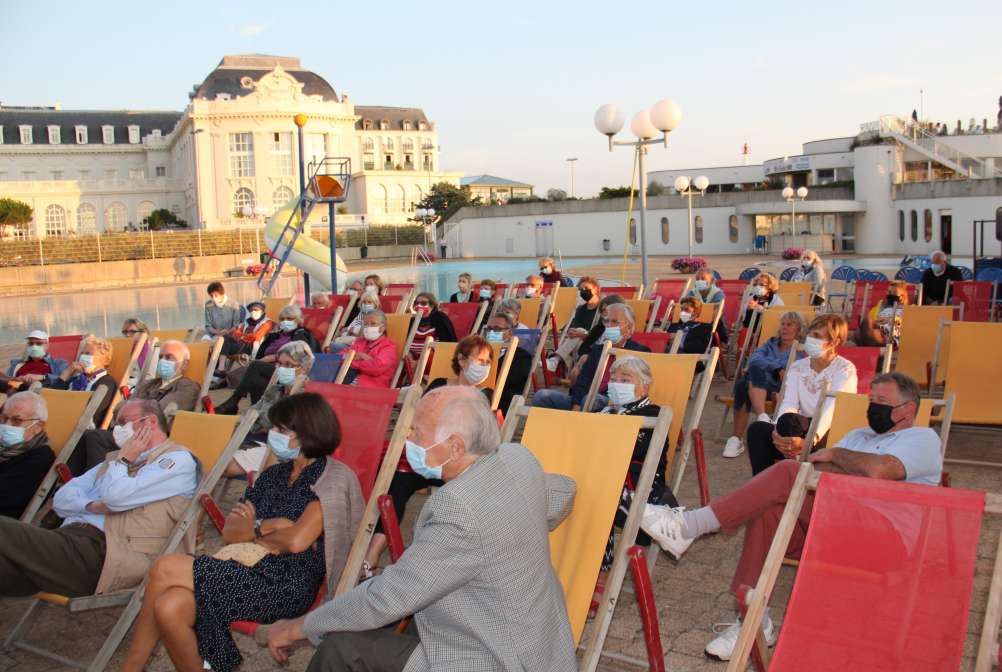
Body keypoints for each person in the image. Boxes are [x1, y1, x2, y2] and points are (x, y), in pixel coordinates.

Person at [265, 386, 578, 672]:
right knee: (362, 621)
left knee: (342, 648)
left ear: (455, 446)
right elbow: (564, 492)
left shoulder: (459, 509)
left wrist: (295, 628)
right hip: (537, 642)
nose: (408, 441)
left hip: (491, 658)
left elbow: (386, 599)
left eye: (417, 433)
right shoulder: (517, 459)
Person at [640, 372, 943, 661]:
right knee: (770, 509)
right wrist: (845, 467)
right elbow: (816, 470)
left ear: (908, 409)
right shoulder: (857, 436)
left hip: (884, 542)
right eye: (871, 399)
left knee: (787, 472)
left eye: (882, 402)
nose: (873, 406)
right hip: (834, 525)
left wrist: (837, 456)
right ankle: (754, 619)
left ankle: (689, 526)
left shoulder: (922, 438)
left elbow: (879, 470)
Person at [121, 393, 363, 672]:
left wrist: (257, 527)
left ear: (306, 433)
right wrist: (271, 526)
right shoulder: (273, 475)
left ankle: (130, 668)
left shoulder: (331, 479)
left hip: (285, 585)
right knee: (169, 606)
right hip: (244, 568)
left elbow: (297, 542)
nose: (272, 434)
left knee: (165, 567)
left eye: (281, 430)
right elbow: (231, 532)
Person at [0, 399, 198, 599]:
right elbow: (62, 498)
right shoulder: (113, 460)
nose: (117, 429)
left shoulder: (177, 461)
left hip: (107, 555)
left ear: (151, 423)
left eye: (122, 422)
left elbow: (114, 497)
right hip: (70, 541)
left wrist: (124, 460)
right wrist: (91, 505)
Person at [360, 335, 496, 577]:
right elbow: (419, 422)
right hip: (429, 460)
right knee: (398, 483)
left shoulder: (484, 396)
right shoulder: (438, 386)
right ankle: (371, 556)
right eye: (479, 360)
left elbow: (479, 441)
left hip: (458, 467)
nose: (483, 366)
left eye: (487, 362)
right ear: (462, 360)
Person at [597, 357, 682, 603]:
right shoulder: (602, 411)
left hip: (640, 493)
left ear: (644, 386)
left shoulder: (654, 416)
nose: (617, 383)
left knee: (599, 497)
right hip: (607, 483)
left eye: (626, 379)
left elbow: (634, 453)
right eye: (613, 379)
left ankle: (602, 574)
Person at [745, 314, 857, 475]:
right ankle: (763, 483)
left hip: (828, 433)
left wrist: (808, 441)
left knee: (793, 426)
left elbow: (830, 411)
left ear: (834, 342)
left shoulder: (845, 370)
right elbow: (789, 403)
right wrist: (778, 432)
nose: (810, 339)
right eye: (810, 334)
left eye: (817, 336)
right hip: (798, 428)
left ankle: (788, 476)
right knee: (758, 430)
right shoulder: (798, 367)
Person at [69, 340, 202, 475]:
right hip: (130, 432)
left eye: (169, 357)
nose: (163, 361)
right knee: (84, 436)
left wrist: (132, 409)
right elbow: (120, 408)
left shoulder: (187, 386)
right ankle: (76, 482)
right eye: (161, 357)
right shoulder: (149, 384)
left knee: (95, 437)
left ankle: (96, 481)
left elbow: (158, 412)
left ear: (184, 364)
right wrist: (134, 410)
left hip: (150, 439)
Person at [533, 303, 650, 412]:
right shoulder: (598, 350)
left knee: (593, 400)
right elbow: (583, 380)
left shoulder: (639, 352)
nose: (609, 325)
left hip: (613, 404)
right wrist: (576, 404)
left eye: (615, 322)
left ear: (629, 328)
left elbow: (638, 389)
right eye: (607, 321)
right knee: (541, 396)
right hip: (585, 400)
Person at [722, 312, 807, 459]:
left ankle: (736, 438)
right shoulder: (771, 343)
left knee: (745, 383)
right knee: (747, 380)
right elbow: (754, 358)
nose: (784, 328)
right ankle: (761, 417)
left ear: (798, 329)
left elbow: (793, 370)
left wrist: (769, 367)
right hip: (759, 386)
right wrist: (775, 368)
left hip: (780, 390)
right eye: (783, 324)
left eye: (789, 325)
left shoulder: (801, 350)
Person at [226, 342, 316, 476]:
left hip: (278, 451)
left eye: (288, 364)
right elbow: (253, 414)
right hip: (256, 440)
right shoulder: (274, 391)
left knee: (226, 466)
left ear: (304, 368)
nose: (281, 368)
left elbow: (279, 427)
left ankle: (263, 481)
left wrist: (261, 424)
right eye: (279, 363)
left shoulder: (308, 398)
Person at [215, 304, 319, 415]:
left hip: (289, 371)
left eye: (289, 319)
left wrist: (270, 358)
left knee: (255, 366)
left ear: (298, 320)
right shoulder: (275, 335)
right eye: (282, 319)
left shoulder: (301, 335)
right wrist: (262, 360)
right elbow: (260, 354)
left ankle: (233, 402)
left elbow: (299, 357)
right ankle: (260, 413)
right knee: (256, 380)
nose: (285, 321)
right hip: (269, 371)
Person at [0, 392, 53, 519]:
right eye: (4, 418)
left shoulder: (39, 458)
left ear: (38, 426)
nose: (7, 425)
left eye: (17, 420)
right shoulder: (4, 447)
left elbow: (7, 501)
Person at [52, 336, 118, 427]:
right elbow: (53, 396)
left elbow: (91, 409)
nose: (83, 357)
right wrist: (68, 371)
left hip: (83, 429)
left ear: (106, 360)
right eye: (82, 354)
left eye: (88, 354)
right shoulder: (77, 379)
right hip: (63, 422)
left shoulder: (107, 382)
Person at [547, 276, 601, 372]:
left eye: (587, 289)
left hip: (594, 342)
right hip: (579, 342)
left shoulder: (601, 309)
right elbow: (574, 326)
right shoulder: (581, 309)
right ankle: (575, 372)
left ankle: (555, 359)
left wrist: (582, 334)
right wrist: (571, 331)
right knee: (577, 337)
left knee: (579, 331)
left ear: (596, 289)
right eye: (581, 289)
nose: (583, 291)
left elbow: (599, 333)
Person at [483, 312, 532, 413]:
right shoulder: (478, 352)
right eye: (489, 329)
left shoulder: (521, 356)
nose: (491, 332)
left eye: (497, 329)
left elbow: (511, 384)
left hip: (500, 402)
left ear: (509, 334)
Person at [3, 330, 68, 392]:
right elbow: (6, 380)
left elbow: (65, 379)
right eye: (31, 343)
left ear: (47, 345)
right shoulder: (17, 363)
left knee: (37, 386)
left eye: (39, 343)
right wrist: (17, 379)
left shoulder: (58, 363)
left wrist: (42, 377)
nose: (34, 347)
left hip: (44, 390)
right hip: (18, 390)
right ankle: (25, 388)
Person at [346, 309, 397, 388]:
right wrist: (366, 359)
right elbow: (341, 356)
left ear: (383, 327)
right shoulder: (360, 341)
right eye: (366, 324)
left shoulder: (388, 346)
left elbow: (376, 368)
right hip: (350, 379)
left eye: (373, 324)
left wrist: (353, 360)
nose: (368, 327)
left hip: (372, 386)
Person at [855, 280, 909, 347]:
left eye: (894, 292)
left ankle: (869, 345)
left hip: (889, 335)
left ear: (902, 297)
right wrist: (876, 322)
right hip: (879, 330)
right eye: (889, 292)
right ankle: (869, 346)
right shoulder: (885, 308)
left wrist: (889, 320)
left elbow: (905, 324)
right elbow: (874, 320)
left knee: (867, 324)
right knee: (857, 333)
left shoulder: (907, 309)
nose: (891, 294)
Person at [409, 292, 457, 358]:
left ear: (432, 306)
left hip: (433, 358)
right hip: (412, 358)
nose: (419, 306)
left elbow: (445, 345)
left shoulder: (439, 318)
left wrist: (419, 362)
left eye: (423, 303)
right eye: (417, 303)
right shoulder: (412, 321)